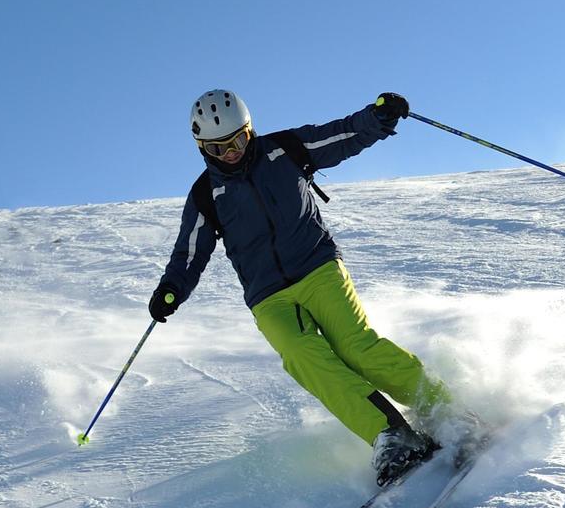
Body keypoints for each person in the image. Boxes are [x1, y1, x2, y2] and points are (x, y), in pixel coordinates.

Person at [149, 88, 455, 484]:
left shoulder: (285, 149)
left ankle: (445, 409)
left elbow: (340, 135)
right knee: (305, 359)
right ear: (201, 148)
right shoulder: (206, 193)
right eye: (217, 148)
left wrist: (378, 118)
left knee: (355, 346)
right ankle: (391, 435)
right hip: (268, 297)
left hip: (317, 267)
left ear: (249, 130)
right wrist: (172, 288)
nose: (231, 153)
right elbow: (190, 252)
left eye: (237, 141)